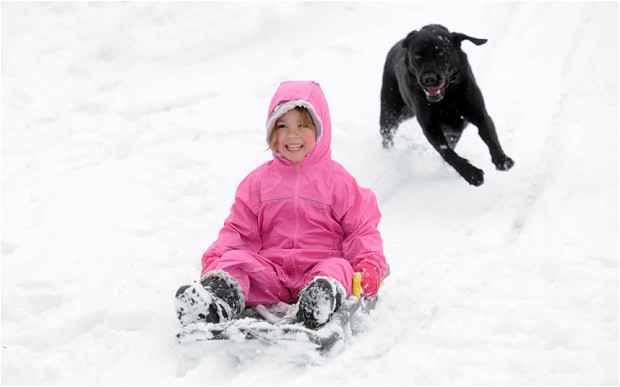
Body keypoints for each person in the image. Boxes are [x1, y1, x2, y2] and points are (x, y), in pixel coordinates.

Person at [175, 81, 388, 330]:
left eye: (302, 126)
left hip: (320, 268)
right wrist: (218, 258)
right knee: (234, 262)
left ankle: (318, 304)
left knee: (338, 267)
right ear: (271, 132)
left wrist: (369, 263)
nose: (292, 135)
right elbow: (239, 232)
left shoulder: (338, 182)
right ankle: (216, 304)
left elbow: (360, 230)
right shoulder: (258, 183)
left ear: (320, 130)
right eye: (283, 126)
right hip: (272, 275)